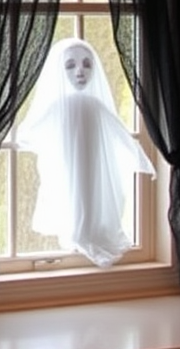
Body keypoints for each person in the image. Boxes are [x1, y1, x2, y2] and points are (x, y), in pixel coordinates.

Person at [17, 37, 155, 268]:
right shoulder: (57, 107)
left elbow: (120, 134)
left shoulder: (96, 106)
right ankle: (76, 231)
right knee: (71, 194)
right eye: (70, 66)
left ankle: (88, 230)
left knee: (91, 194)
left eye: (87, 65)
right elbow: (30, 131)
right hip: (66, 167)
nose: (80, 72)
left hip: (93, 165)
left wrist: (143, 162)